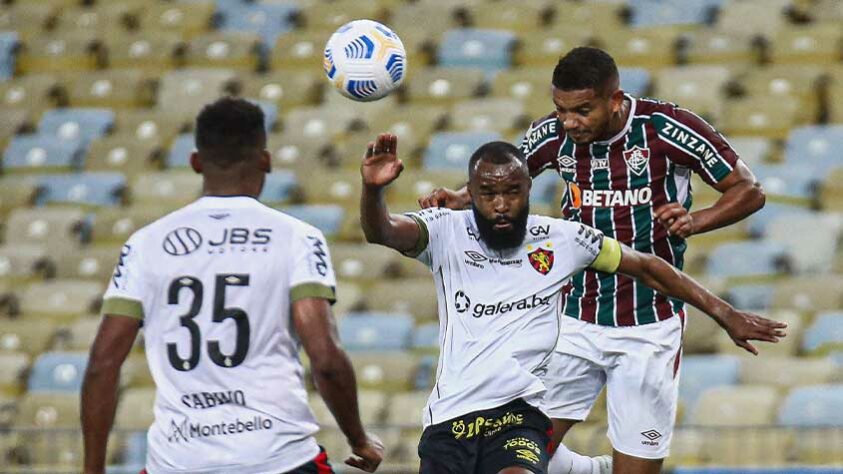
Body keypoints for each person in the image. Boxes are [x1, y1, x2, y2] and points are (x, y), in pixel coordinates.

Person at [419, 46, 770, 474]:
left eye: (582, 110)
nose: (570, 121)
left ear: (615, 99)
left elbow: (749, 189)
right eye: (561, 109)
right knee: (517, 449)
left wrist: (696, 221)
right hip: (574, 321)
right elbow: (505, 178)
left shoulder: (666, 129)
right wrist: (458, 197)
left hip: (649, 325)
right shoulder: (552, 135)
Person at [361, 134, 785, 474]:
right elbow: (382, 231)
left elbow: (649, 267)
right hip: (450, 420)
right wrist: (372, 191)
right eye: (488, 193)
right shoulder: (444, 231)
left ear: (530, 187)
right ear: (470, 192)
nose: (501, 204)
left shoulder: (563, 239)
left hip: (518, 414)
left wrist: (725, 313)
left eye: (512, 191)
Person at [81, 98, 383, 474]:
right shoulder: (295, 237)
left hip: (179, 461)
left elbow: (102, 365)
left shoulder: (146, 244)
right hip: (275, 456)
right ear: (266, 160)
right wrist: (358, 439)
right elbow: (325, 359)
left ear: (195, 162)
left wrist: (92, 469)